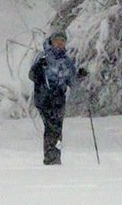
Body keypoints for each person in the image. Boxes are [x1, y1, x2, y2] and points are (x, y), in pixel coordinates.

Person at [28, 31, 87, 166]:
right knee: (51, 126)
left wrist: (80, 76)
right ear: (52, 42)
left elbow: (72, 82)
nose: (60, 44)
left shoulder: (66, 61)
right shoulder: (43, 56)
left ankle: (54, 157)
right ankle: (51, 158)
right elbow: (32, 76)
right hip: (44, 96)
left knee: (57, 127)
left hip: (59, 98)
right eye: (57, 41)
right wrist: (38, 68)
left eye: (62, 41)